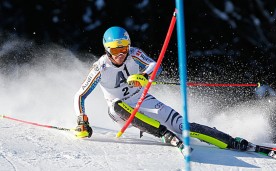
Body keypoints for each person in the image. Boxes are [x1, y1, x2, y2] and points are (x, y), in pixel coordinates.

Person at [74, 26, 249, 153]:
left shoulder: (134, 54)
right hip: (119, 111)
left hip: (143, 100)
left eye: (123, 48)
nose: (120, 54)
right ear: (107, 50)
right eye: (115, 50)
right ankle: (163, 133)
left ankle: (229, 141)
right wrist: (82, 120)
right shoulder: (100, 68)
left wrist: (144, 76)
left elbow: (155, 65)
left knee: (182, 125)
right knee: (116, 105)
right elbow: (80, 95)